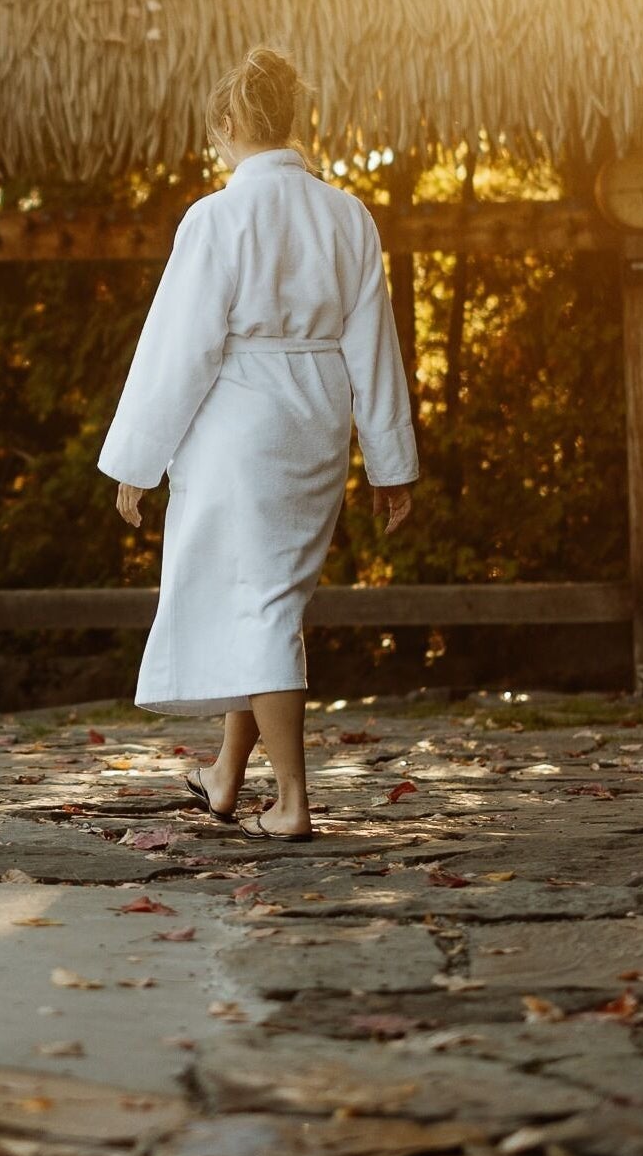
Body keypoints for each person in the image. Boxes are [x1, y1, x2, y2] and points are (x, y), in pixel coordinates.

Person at [100, 46, 417, 840]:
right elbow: (373, 345)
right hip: (314, 417)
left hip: (236, 417)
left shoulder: (215, 216)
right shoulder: (346, 213)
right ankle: (224, 774)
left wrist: (138, 461)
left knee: (264, 600)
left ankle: (293, 802)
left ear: (230, 125)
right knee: (267, 594)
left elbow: (181, 345)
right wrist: (388, 462)